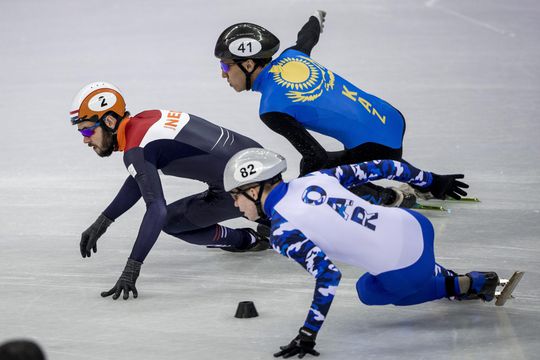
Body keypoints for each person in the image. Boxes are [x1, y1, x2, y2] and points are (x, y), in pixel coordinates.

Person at [222, 148, 498, 358]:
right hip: (414, 224)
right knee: (386, 264)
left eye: (236, 195)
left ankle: (463, 283)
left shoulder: (283, 232)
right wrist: (431, 181)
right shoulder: (314, 178)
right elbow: (386, 166)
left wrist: (308, 333)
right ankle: (438, 274)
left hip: (405, 267)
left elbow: (328, 276)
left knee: (368, 290)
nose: (235, 204)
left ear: (254, 189)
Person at [214, 11, 459, 207]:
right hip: (391, 117)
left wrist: (291, 203)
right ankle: (428, 182)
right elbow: (307, 37)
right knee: (341, 158)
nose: (223, 75)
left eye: (225, 67)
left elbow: (316, 158)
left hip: (376, 147)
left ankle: (388, 198)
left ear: (248, 64)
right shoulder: (292, 56)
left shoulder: (271, 108)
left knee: (318, 175)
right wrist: (316, 19)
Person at [70, 81, 269, 301]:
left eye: (88, 130)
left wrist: (132, 268)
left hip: (244, 189)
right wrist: (103, 221)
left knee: (170, 222)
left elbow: (157, 209)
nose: (85, 139)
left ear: (109, 121)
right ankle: (268, 218)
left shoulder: (136, 149)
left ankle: (246, 240)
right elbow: (140, 177)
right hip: (259, 163)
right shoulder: (146, 119)